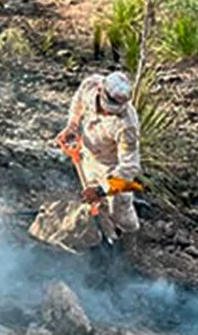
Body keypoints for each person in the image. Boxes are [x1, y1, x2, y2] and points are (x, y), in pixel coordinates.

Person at [54, 71, 141, 242]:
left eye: (113, 111)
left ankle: (130, 240)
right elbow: (78, 103)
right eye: (107, 108)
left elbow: (130, 167)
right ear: (101, 90)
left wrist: (102, 189)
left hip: (113, 166)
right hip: (89, 155)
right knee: (97, 206)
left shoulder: (127, 125)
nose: (109, 114)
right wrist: (72, 126)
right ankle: (107, 238)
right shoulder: (90, 86)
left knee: (119, 207)